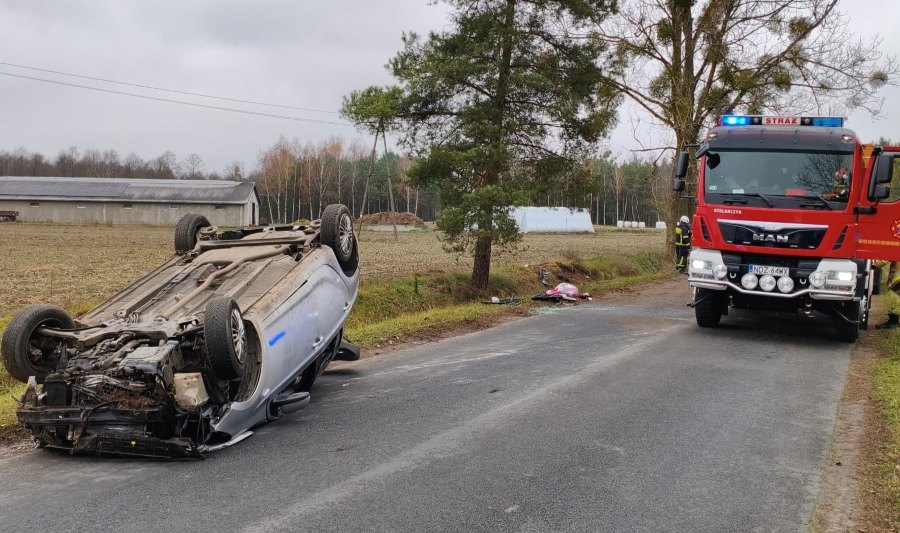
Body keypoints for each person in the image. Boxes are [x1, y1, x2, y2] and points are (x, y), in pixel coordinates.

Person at [875, 260, 900, 328]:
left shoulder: (896, 249)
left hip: (898, 280)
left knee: (894, 300)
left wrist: (873, 265)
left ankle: (893, 322)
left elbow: (884, 260)